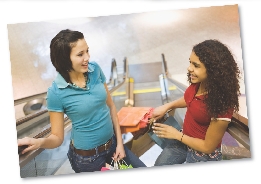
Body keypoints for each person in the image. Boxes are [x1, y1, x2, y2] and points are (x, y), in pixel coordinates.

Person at [17, 29, 146, 172]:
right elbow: (57, 137)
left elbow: (111, 106)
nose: (87, 57)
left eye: (87, 51)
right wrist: (39, 142)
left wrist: (120, 144)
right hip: (88, 160)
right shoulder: (56, 92)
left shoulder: (95, 69)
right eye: (80, 54)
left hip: (113, 145)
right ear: (65, 59)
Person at [151, 39, 241, 165]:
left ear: (213, 70)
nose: (189, 68)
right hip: (184, 140)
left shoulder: (222, 103)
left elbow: (208, 147)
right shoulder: (198, 83)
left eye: (196, 65)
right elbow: (189, 99)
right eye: (190, 63)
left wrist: (176, 135)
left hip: (201, 155)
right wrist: (167, 106)